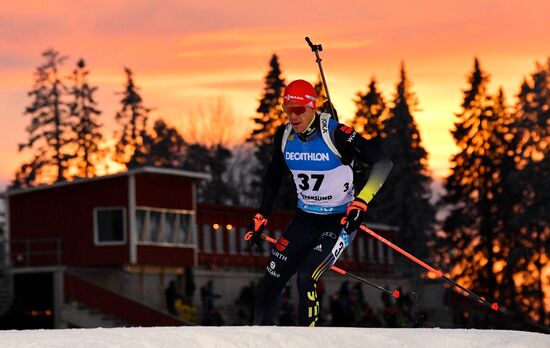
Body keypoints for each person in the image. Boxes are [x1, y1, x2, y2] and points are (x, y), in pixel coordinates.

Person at [248, 79, 393, 326]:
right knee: (271, 277)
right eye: (287, 110)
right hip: (304, 219)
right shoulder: (284, 136)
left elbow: (383, 163)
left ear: (312, 107)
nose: (292, 117)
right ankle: (258, 340)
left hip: (338, 221)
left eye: (298, 110)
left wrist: (361, 202)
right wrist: (262, 214)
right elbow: (274, 173)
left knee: (306, 277)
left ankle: (309, 341)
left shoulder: (335, 134)